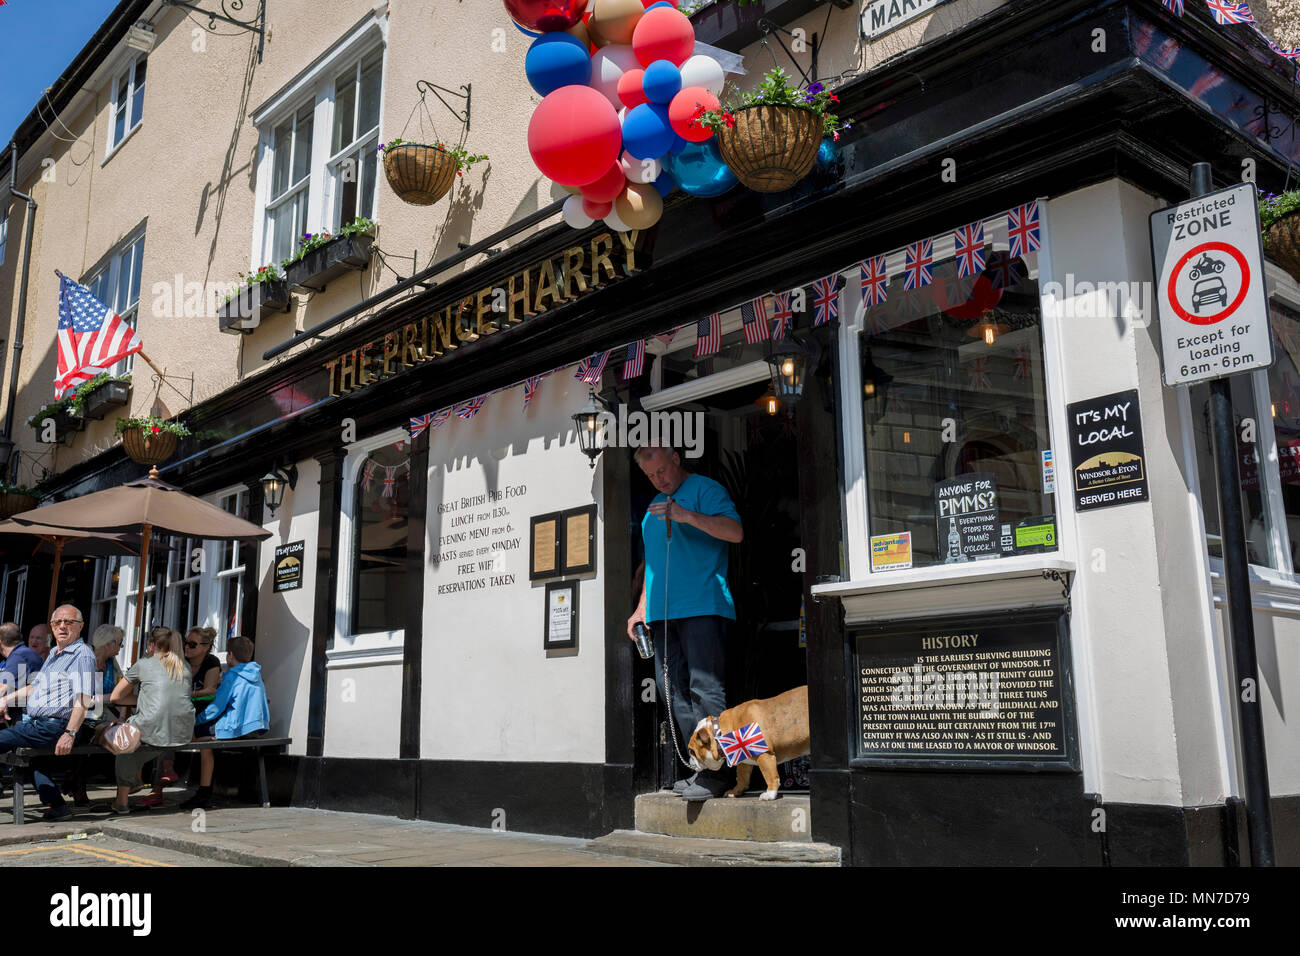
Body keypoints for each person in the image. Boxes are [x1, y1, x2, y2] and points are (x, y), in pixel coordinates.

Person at [626, 444, 743, 802]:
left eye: (661, 470)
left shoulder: (706, 490)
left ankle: (721, 773)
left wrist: (687, 516)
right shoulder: (650, 510)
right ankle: (701, 766)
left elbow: (735, 532)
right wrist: (640, 608)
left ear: (676, 459)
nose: (657, 479)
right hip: (662, 613)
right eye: (649, 476)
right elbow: (653, 568)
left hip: (702, 605)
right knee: (670, 691)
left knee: (704, 689)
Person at [0, 606, 96, 820]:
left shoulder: (82, 655)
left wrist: (69, 734)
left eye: (69, 622)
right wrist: (4, 700)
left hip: (55, 726)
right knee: (33, 761)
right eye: (57, 622)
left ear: (80, 626)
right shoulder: (54, 653)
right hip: (41, 724)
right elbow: (35, 687)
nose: (62, 626)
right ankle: (58, 806)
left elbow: (84, 698)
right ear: (52, 627)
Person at [105, 627, 194, 814]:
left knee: (123, 742)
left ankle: (122, 801)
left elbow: (116, 697)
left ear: (151, 645)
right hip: (183, 731)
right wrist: (146, 698)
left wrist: (143, 699)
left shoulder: (144, 664)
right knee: (142, 739)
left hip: (154, 727)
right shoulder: (184, 666)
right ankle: (134, 780)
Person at [184, 636, 269, 810]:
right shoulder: (255, 673)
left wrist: (195, 719)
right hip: (255, 727)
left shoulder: (232, 676)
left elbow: (216, 707)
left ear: (230, 655)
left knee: (199, 732)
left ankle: (204, 792)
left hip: (236, 728)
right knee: (205, 733)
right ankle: (204, 790)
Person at [62, 625, 128, 806]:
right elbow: (79, 696)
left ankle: (75, 780)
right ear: (110, 643)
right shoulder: (85, 661)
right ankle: (78, 784)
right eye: (120, 644)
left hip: (101, 718)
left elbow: (122, 691)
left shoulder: (112, 664)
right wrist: (104, 698)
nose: (120, 648)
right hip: (77, 717)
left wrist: (122, 716)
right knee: (85, 736)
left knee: (114, 737)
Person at [0, 621, 44, 704]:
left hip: (25, 714)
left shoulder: (19, 656)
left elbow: (2, 690)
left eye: (38, 638)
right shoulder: (15, 656)